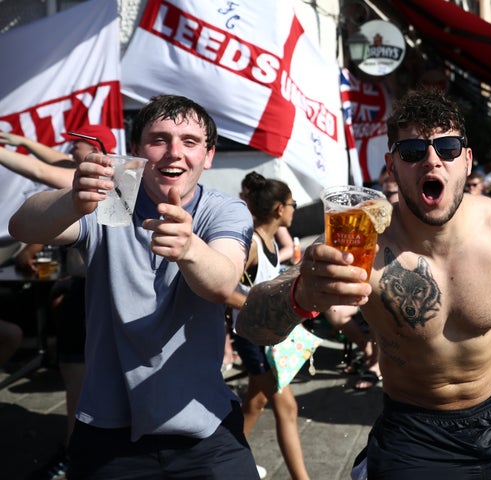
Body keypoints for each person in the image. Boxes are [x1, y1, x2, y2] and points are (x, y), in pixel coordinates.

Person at [236, 89, 491, 479]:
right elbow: (251, 323)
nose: (432, 161)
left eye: (446, 148)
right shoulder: (361, 242)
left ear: (466, 160)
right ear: (392, 167)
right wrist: (301, 293)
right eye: (413, 153)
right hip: (415, 429)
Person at [9, 95, 259, 478]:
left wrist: (190, 247)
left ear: (208, 156)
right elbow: (23, 226)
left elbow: (223, 282)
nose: (174, 153)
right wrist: (74, 200)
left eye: (190, 142)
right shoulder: (115, 200)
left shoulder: (223, 209)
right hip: (108, 433)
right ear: (138, 151)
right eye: (159, 139)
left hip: (204, 427)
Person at [1, 125, 116, 479]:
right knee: (81, 376)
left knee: (77, 377)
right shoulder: (102, 174)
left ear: (97, 150)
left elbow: (40, 169)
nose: (69, 151)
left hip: (91, 295)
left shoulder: (99, 178)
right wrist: (23, 141)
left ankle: (74, 454)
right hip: (90, 290)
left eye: (76, 146)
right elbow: (54, 160)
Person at [227, 171, 310, 480]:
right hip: (251, 338)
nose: (294, 209)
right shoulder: (250, 245)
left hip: (266, 339)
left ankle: (227, 460)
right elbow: (222, 290)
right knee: (286, 408)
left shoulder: (271, 240)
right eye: (292, 203)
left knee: (256, 401)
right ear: (279, 208)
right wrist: (257, 307)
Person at [324, 305, 382, 390]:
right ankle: (368, 351)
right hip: (362, 302)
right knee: (333, 312)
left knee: (377, 313)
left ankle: (376, 363)